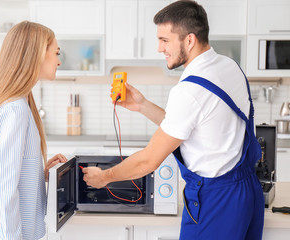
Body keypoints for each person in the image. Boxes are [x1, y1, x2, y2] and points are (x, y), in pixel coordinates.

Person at [82, 1, 264, 239]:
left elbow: (147, 161)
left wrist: (104, 178)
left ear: (189, 40)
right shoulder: (228, 66)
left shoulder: (189, 90)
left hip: (215, 201)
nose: (159, 48)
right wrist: (143, 106)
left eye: (165, 40)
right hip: (247, 192)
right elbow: (192, 125)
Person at [0, 21, 67, 240]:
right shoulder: (15, 110)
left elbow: (3, 177)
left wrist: (40, 173)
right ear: (37, 54)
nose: (58, 61)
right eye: (56, 53)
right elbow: (3, 191)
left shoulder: (13, 103)